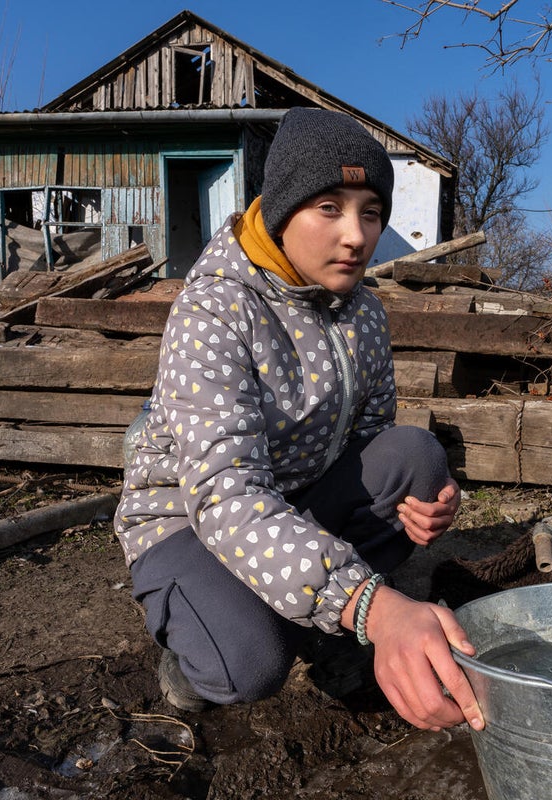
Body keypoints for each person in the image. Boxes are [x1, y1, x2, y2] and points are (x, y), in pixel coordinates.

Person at [115, 107, 484, 733]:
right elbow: (226, 499)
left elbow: (371, 443)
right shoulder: (215, 311)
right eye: (330, 208)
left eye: (371, 211)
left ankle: (318, 622)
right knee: (249, 663)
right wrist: (372, 606)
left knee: (418, 457)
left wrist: (429, 502)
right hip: (189, 519)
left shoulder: (364, 313)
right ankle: (188, 667)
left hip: (296, 502)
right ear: (282, 210)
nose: (356, 235)